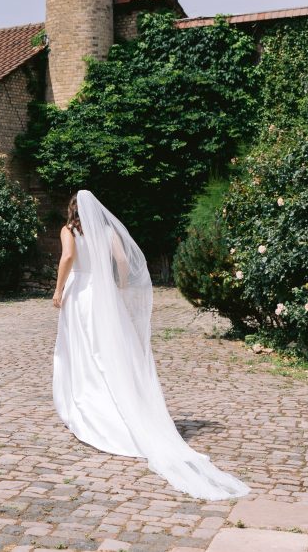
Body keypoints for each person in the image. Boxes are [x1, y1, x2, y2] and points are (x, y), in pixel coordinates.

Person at [51, 190, 249, 500]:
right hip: (105, 295)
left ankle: (89, 402)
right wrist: (119, 288)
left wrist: (58, 290)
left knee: (84, 350)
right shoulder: (107, 230)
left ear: (72, 209)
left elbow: (67, 258)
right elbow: (121, 261)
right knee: (111, 352)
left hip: (81, 293)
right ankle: (121, 399)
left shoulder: (70, 230)